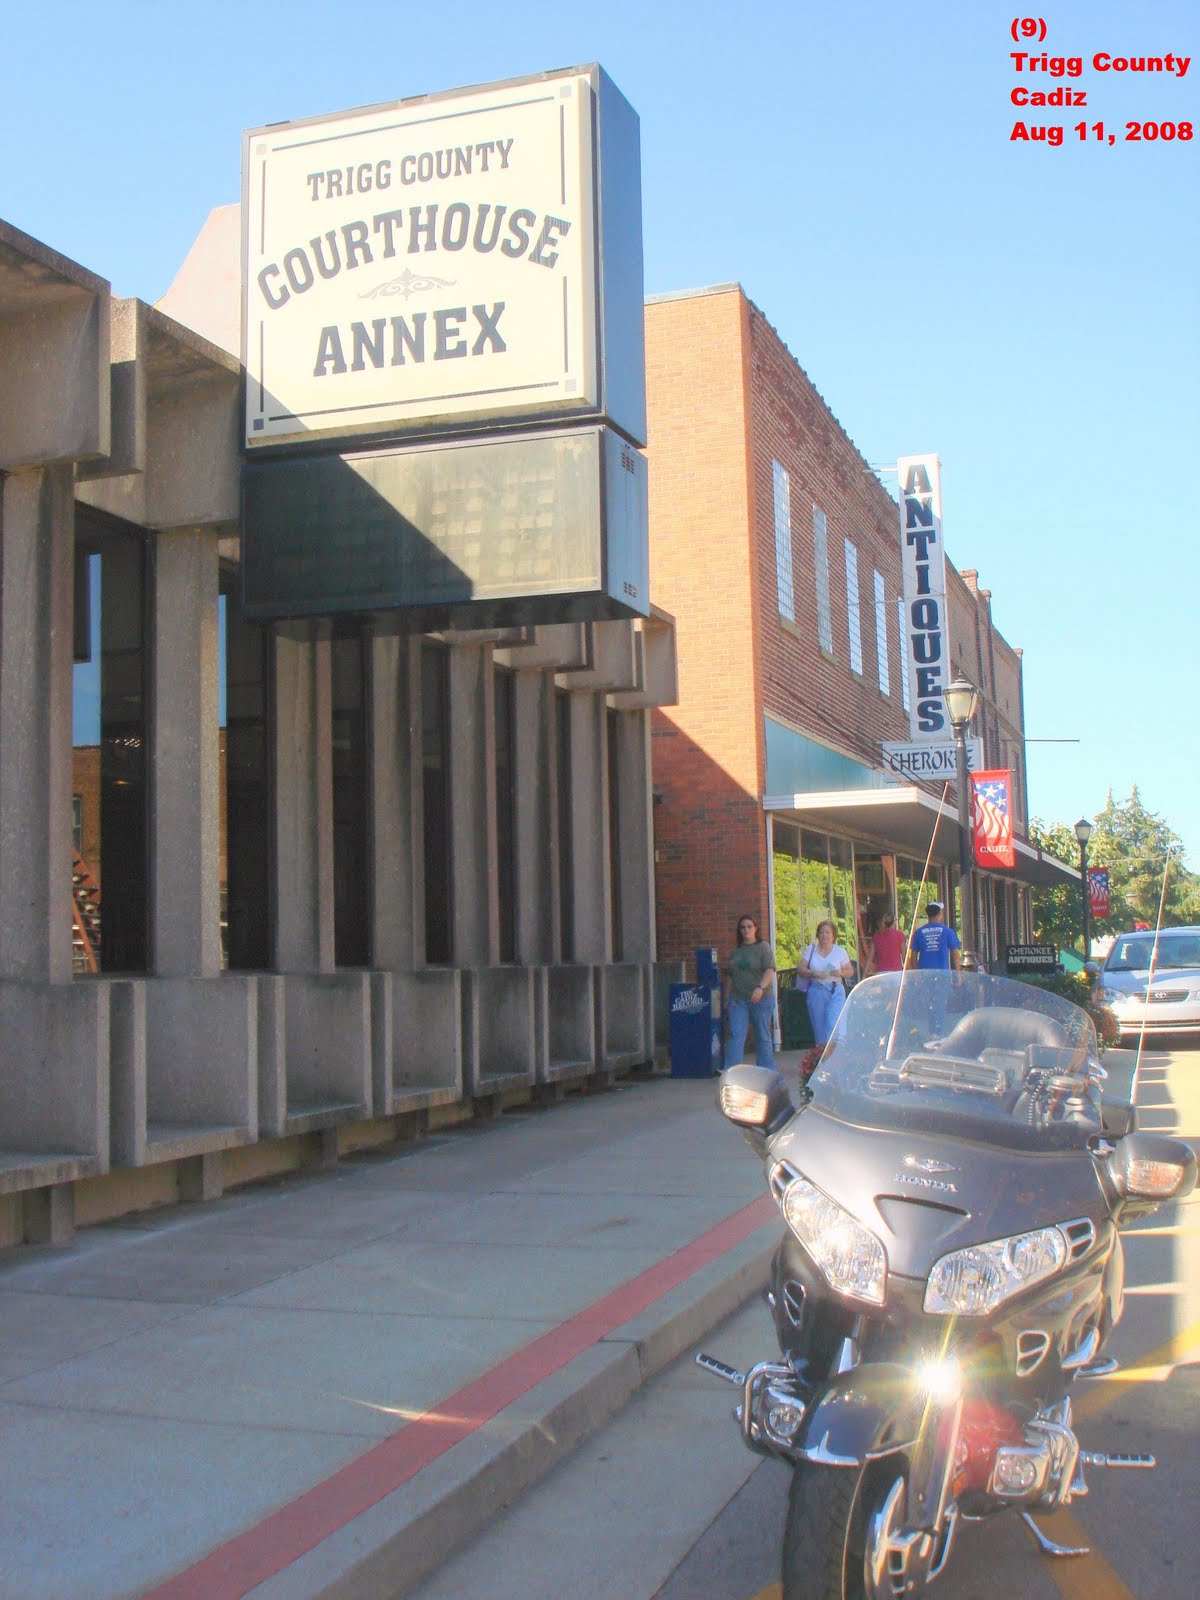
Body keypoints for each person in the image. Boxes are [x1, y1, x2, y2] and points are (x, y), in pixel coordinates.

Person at [796, 919, 854, 1073]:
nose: (824, 936)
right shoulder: (811, 950)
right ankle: (823, 1065)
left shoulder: (840, 952)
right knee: (820, 1029)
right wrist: (813, 973)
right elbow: (800, 969)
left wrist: (841, 972)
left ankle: (838, 1062)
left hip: (835, 990)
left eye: (828, 932)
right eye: (821, 932)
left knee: (834, 1026)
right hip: (816, 990)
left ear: (833, 935)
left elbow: (850, 971)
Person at [723, 914, 777, 1071]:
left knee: (762, 1036)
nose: (746, 930)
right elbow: (731, 976)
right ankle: (732, 1072)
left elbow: (769, 970)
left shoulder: (763, 947)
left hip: (761, 999)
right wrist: (727, 998)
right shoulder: (735, 952)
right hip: (738, 1000)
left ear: (755, 929)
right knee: (736, 1035)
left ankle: (766, 1071)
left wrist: (760, 987)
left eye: (749, 926)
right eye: (742, 927)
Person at [907, 901, 962, 970]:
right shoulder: (948, 932)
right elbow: (955, 955)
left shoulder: (918, 933)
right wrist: (958, 975)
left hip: (925, 975)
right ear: (939, 915)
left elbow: (913, 958)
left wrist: (918, 974)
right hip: (943, 975)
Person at [864, 910, 905, 976]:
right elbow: (904, 956)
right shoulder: (900, 935)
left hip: (881, 973)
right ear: (894, 922)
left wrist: (863, 978)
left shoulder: (876, 937)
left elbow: (869, 959)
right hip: (897, 973)